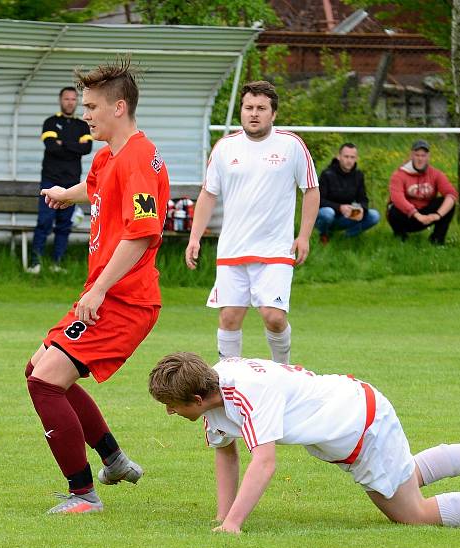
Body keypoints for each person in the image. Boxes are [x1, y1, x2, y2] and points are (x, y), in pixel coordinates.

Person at [148, 352, 460, 533]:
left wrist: (236, 525)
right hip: (357, 412)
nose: (170, 413)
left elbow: (264, 462)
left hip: (360, 423)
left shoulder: (244, 393)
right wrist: (224, 517)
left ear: (198, 397)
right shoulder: (213, 393)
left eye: (172, 405)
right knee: (407, 475)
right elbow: (225, 454)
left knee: (411, 513)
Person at [25, 57, 170, 515]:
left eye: (91, 107)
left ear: (119, 107)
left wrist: (99, 289)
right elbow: (99, 189)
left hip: (125, 301)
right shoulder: (110, 155)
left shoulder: (140, 159)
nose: (85, 114)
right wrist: (67, 194)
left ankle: (83, 495)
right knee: (39, 370)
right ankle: (114, 460)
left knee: (47, 382)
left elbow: (142, 232)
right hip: (108, 295)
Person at [185, 80, 319, 365]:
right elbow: (208, 193)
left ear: (273, 113)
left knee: (273, 316)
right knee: (229, 317)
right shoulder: (225, 148)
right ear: (241, 111)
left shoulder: (291, 145)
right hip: (233, 249)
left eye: (261, 108)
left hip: (275, 249)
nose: (254, 113)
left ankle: (284, 371)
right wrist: (194, 237)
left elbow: (311, 189)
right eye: (248, 108)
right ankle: (228, 381)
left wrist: (304, 235)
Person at [27, 87, 94, 274]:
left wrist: (62, 143)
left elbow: (86, 148)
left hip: (72, 182)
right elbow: (51, 147)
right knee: (45, 222)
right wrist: (73, 146)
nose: (70, 102)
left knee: (64, 225)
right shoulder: (50, 122)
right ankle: (35, 263)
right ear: (60, 100)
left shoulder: (82, 125)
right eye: (67, 99)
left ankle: (57, 263)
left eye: (73, 99)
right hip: (50, 180)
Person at [386, 140, 458, 245]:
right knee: (393, 208)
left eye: (423, 155)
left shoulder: (436, 174)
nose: (420, 159)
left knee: (448, 203)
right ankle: (400, 236)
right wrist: (415, 214)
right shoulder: (399, 175)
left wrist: (437, 215)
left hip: (426, 214)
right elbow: (397, 198)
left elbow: (452, 194)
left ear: (428, 157)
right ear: (411, 155)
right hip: (407, 215)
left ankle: (437, 240)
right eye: (417, 155)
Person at [316, 142, 380, 243]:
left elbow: (363, 199)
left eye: (352, 157)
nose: (349, 160)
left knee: (374, 215)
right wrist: (340, 207)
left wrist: (362, 209)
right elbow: (318, 201)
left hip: (346, 216)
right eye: (346, 156)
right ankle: (324, 235)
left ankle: (344, 238)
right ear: (339, 157)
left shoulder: (358, 175)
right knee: (328, 213)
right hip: (325, 215)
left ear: (356, 158)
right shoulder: (327, 174)